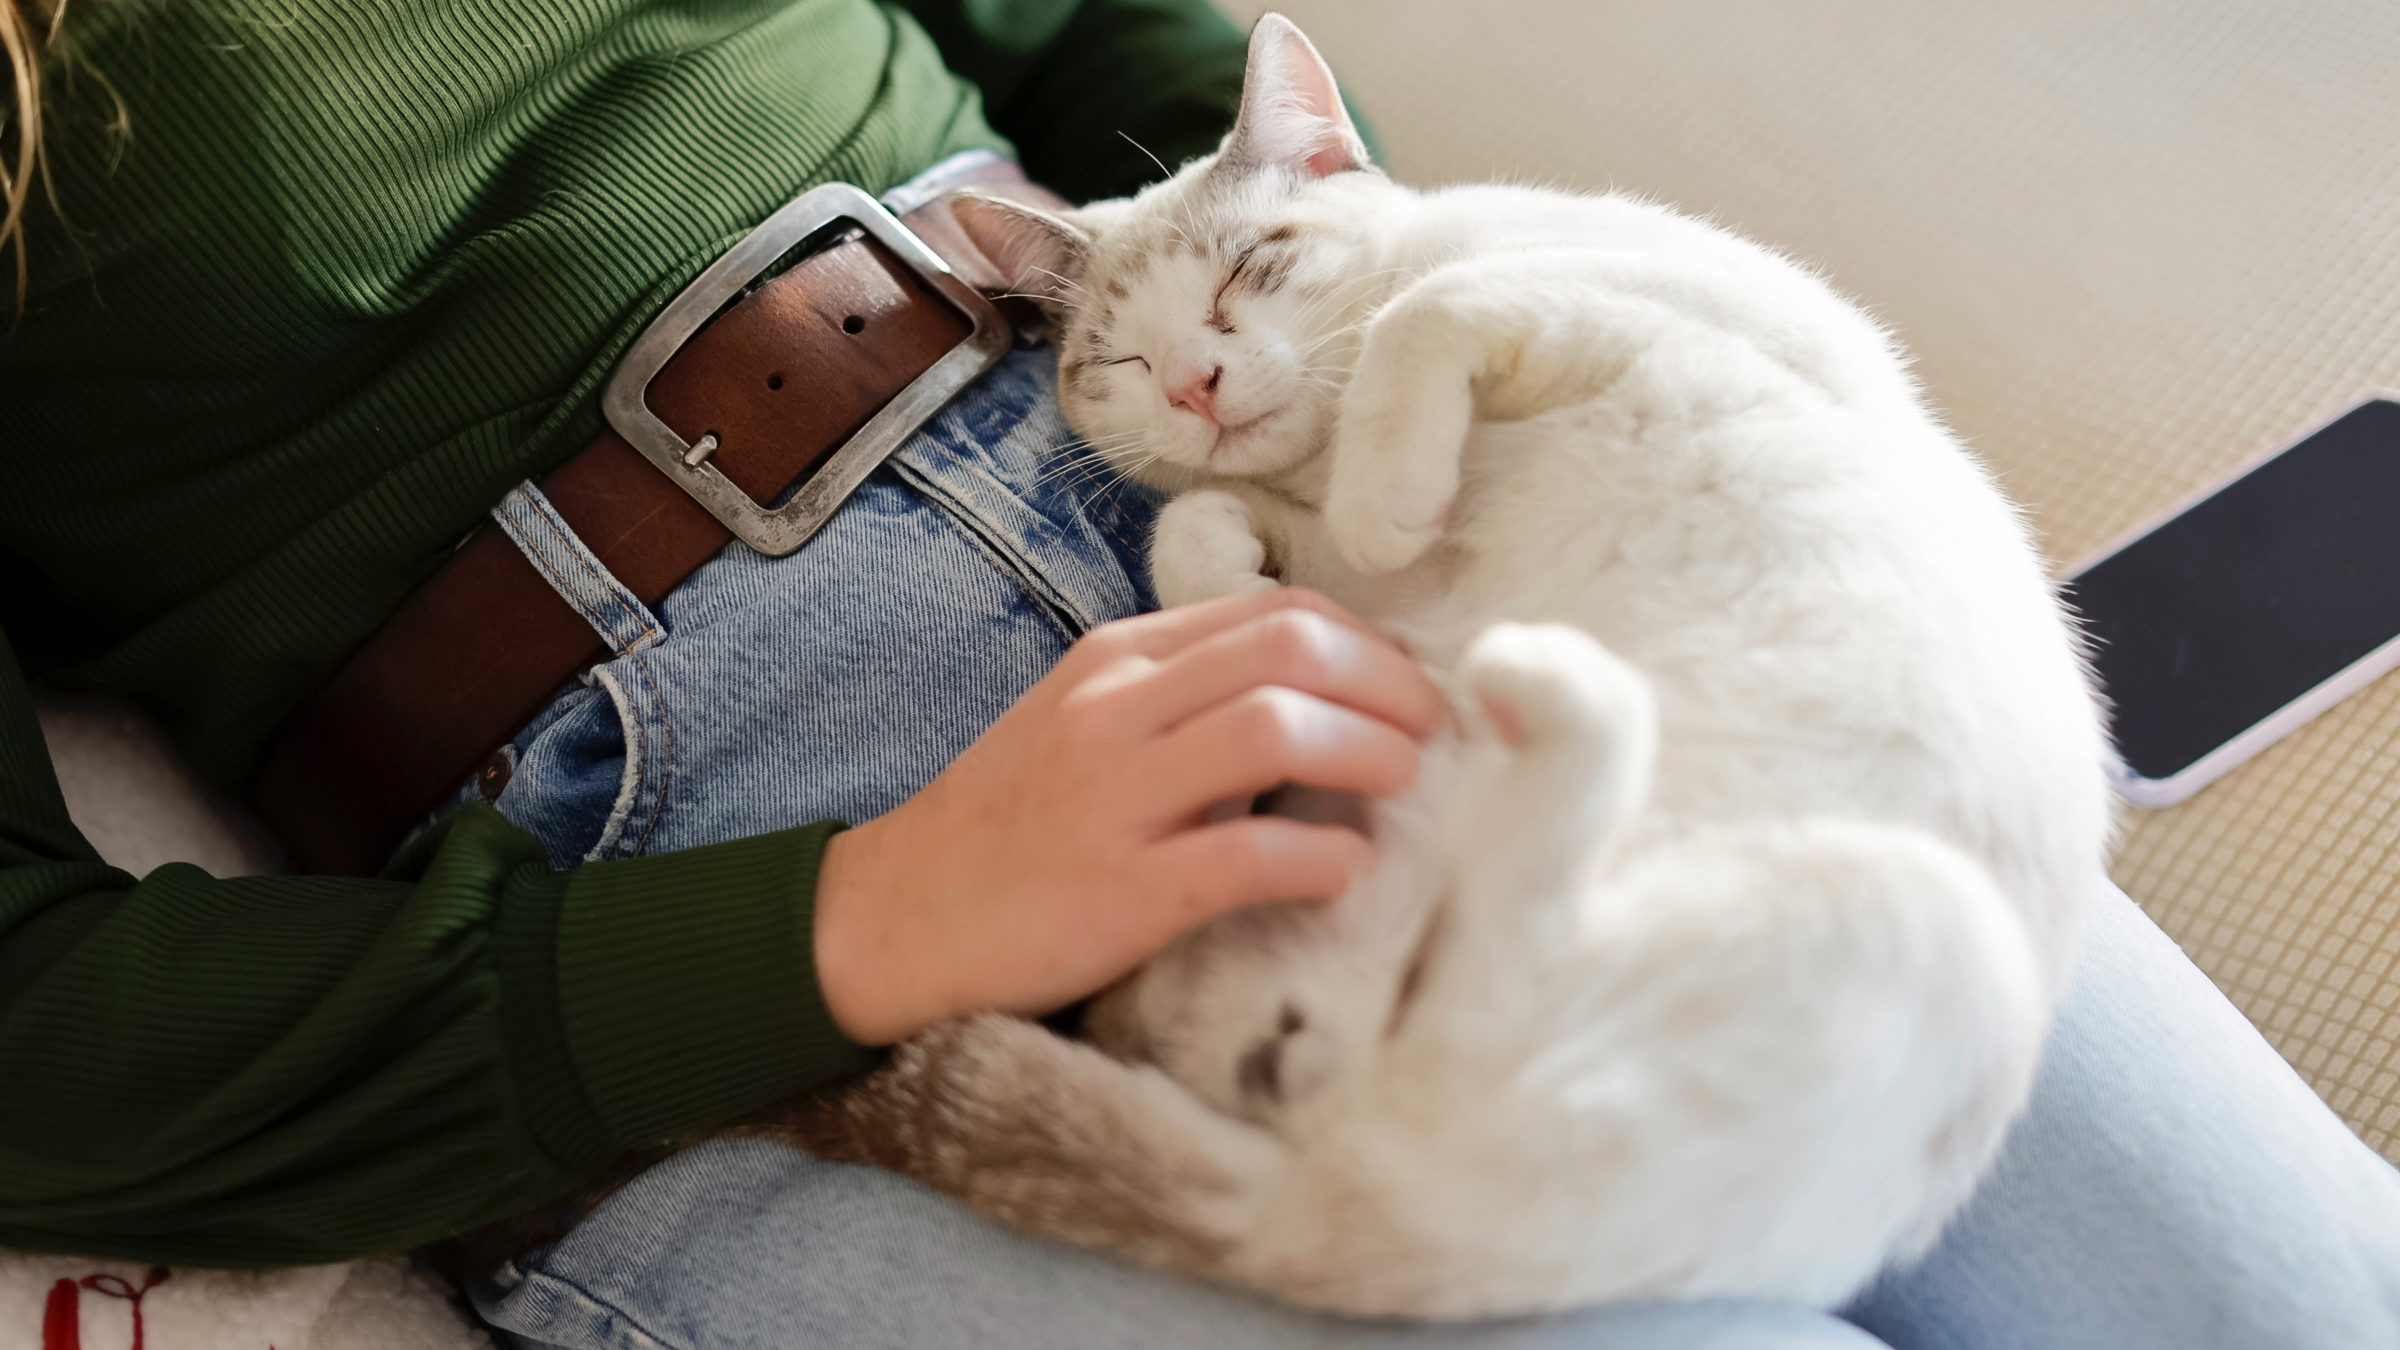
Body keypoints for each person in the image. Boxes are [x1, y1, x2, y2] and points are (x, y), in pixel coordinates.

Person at [1, 2, 2396, 1347]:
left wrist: (1368, 334)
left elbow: (1146, 50)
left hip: (1384, 521)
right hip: (725, 864)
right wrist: (872, 924)